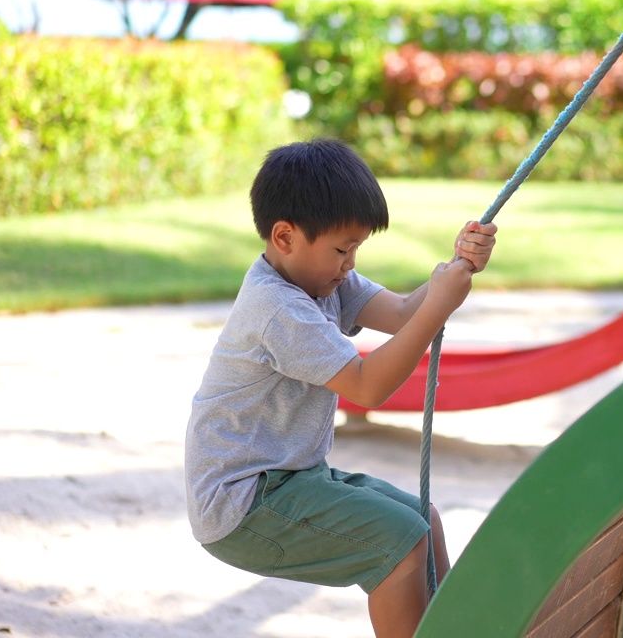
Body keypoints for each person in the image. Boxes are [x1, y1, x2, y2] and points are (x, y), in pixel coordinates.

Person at [184, 138, 497, 638]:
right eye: (342, 248)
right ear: (284, 237)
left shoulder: (322, 278)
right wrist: (439, 304)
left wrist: (456, 268)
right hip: (243, 504)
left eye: (356, 248)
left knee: (424, 520)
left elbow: (398, 314)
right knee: (402, 545)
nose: (350, 262)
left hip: (293, 478)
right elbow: (367, 387)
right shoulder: (277, 308)